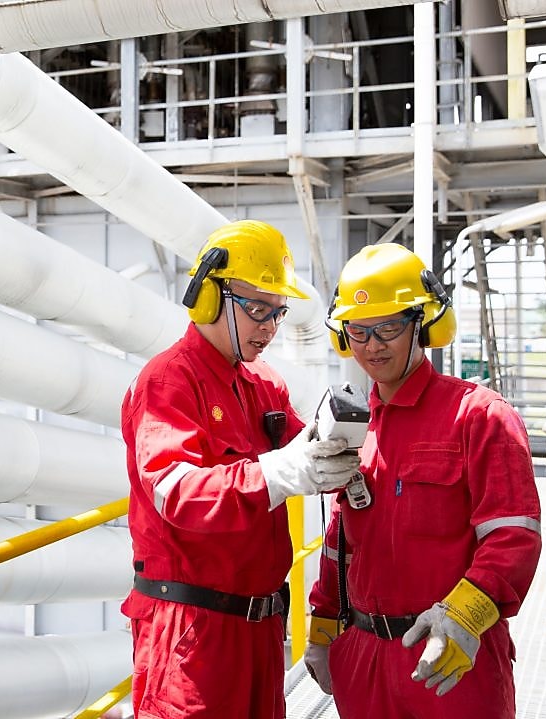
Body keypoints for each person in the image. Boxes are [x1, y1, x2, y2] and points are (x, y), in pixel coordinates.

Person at [121, 219, 361, 718]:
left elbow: (300, 448)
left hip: (261, 628)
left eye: (279, 312)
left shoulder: (260, 381)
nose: (270, 329)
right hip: (192, 634)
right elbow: (176, 492)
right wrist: (279, 473)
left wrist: (339, 450)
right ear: (208, 297)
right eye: (257, 310)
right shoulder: (167, 382)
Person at [304, 243, 542, 719]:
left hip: (451, 661)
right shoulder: (355, 428)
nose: (373, 345)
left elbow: (513, 538)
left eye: (390, 327)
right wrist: (323, 626)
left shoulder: (479, 416)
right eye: (359, 329)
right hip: (365, 659)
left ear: (424, 324)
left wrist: (464, 617)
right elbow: (341, 539)